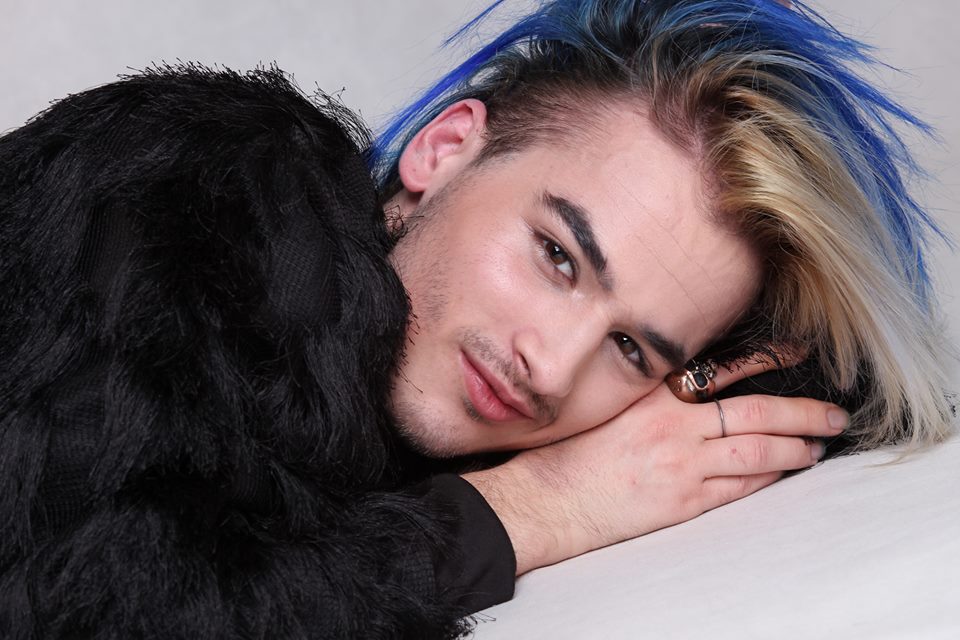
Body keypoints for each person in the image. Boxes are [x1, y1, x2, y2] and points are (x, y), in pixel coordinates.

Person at [0, 1, 950, 639]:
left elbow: (853, 387)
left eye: (630, 349)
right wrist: (541, 506)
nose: (552, 367)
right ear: (444, 149)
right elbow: (91, 602)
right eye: (557, 255)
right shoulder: (220, 179)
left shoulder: (401, 421)